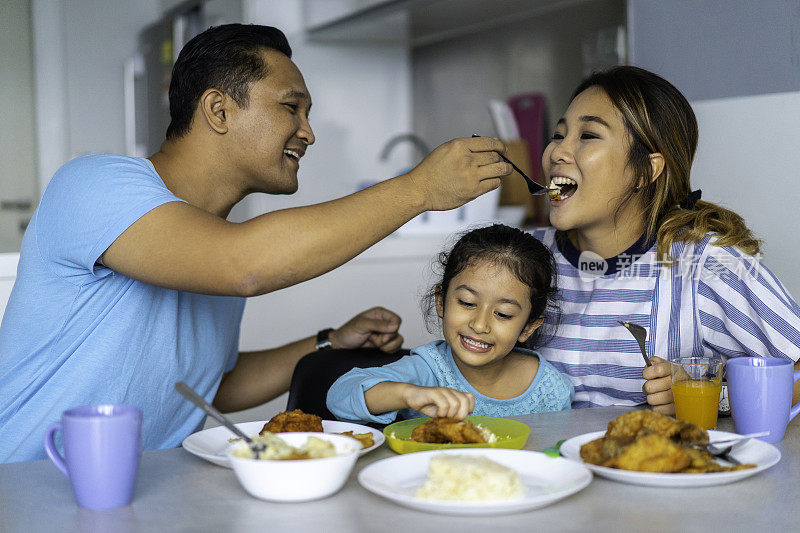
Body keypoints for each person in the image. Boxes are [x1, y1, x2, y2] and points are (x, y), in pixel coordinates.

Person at [0, 24, 513, 463]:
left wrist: (326, 344)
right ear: (218, 111)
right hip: (28, 488)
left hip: (144, 494)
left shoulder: (217, 243)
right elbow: (244, 264)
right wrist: (418, 188)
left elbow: (209, 385)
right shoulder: (94, 184)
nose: (308, 133)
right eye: (292, 108)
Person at [528, 65, 800, 412]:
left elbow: (794, 368)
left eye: (588, 136)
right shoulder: (522, 257)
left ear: (645, 170)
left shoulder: (706, 263)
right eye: (557, 135)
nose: (556, 153)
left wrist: (702, 394)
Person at [326, 224, 574, 424]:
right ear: (441, 302)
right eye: (467, 303)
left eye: (503, 314)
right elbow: (340, 396)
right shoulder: (428, 370)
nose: (479, 325)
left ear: (529, 327)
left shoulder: (549, 389)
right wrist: (409, 394)